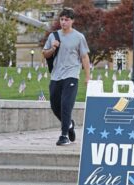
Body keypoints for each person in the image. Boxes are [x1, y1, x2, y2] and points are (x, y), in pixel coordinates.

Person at [43, 8, 90, 146]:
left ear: (72, 21)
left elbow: (84, 57)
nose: (63, 22)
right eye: (62, 19)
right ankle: (69, 124)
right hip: (56, 75)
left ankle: (64, 136)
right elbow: (45, 54)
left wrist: (88, 76)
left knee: (66, 105)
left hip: (72, 75)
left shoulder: (79, 37)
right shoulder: (53, 36)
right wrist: (53, 48)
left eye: (66, 20)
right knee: (54, 105)